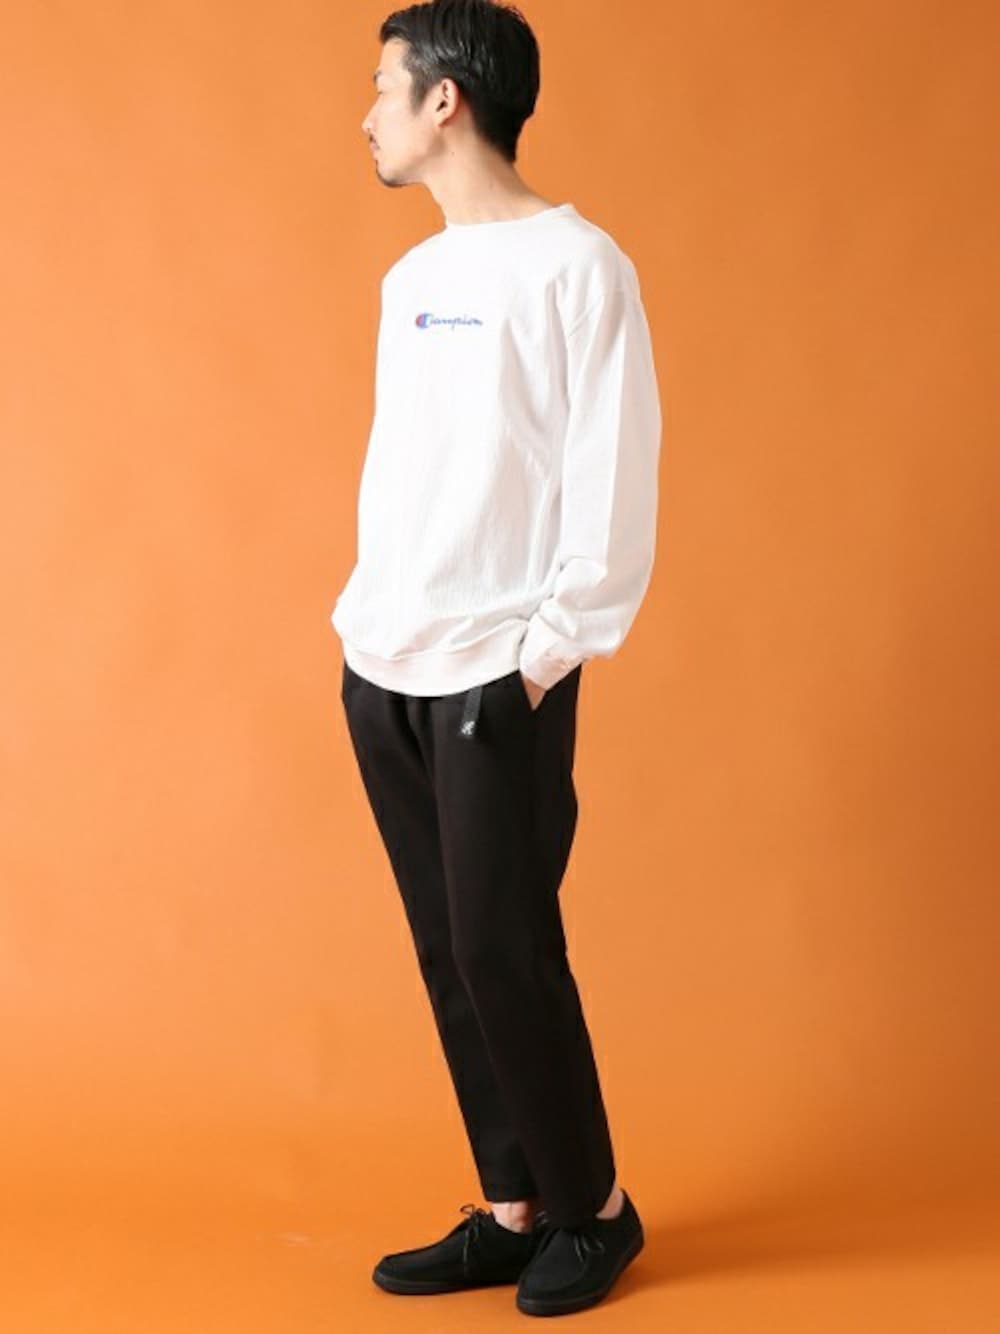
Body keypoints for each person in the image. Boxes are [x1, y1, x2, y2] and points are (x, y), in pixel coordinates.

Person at [331, 0, 662, 1316]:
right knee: (447, 952)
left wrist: (542, 656)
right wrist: (365, 632)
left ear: (445, 101)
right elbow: (410, 476)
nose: (366, 115)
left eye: (382, 87)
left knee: (504, 946)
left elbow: (611, 475)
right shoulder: (412, 282)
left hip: (493, 677)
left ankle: (595, 1208)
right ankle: (517, 1203)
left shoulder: (581, 267)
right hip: (386, 665)